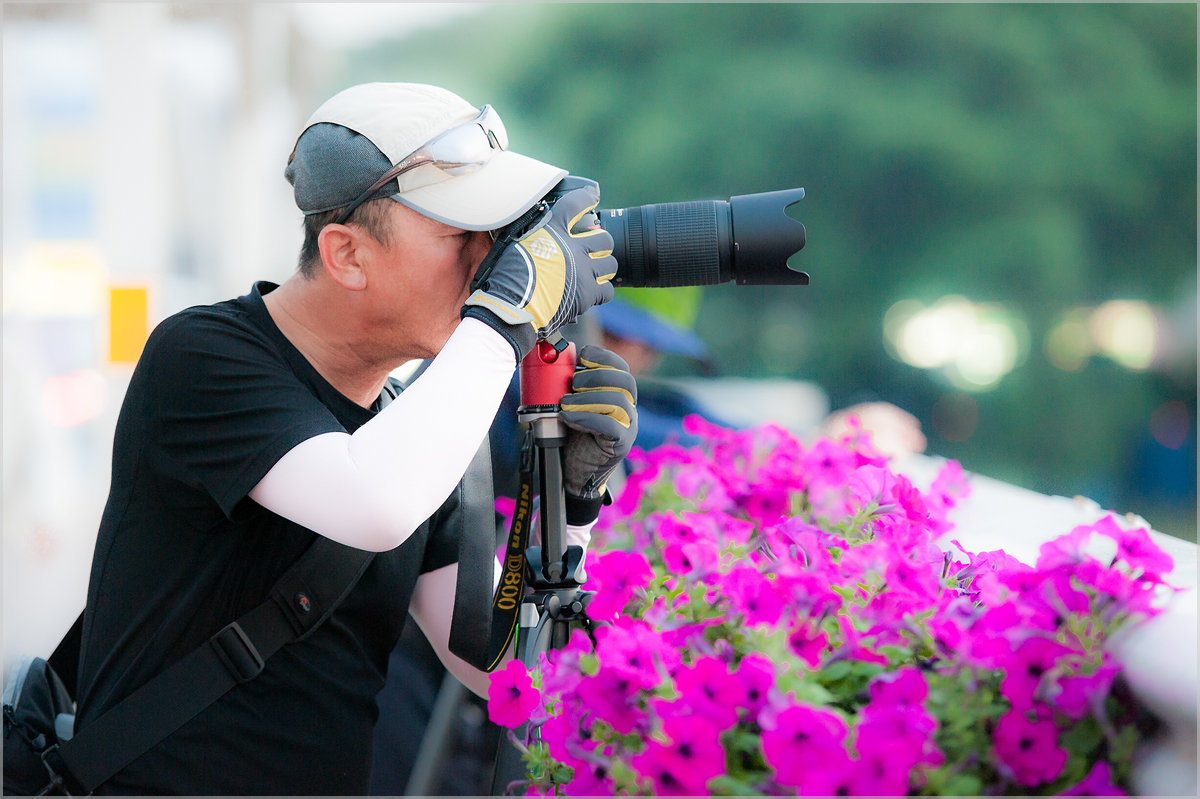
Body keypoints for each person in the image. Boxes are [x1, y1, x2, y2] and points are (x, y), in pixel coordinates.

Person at [72, 82, 637, 795]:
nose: (489, 262)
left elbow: (503, 671)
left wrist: (574, 503)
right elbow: (375, 501)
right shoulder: (201, 356)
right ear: (347, 255)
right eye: (461, 236)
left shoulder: (413, 432)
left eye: (497, 240)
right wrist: (503, 317)